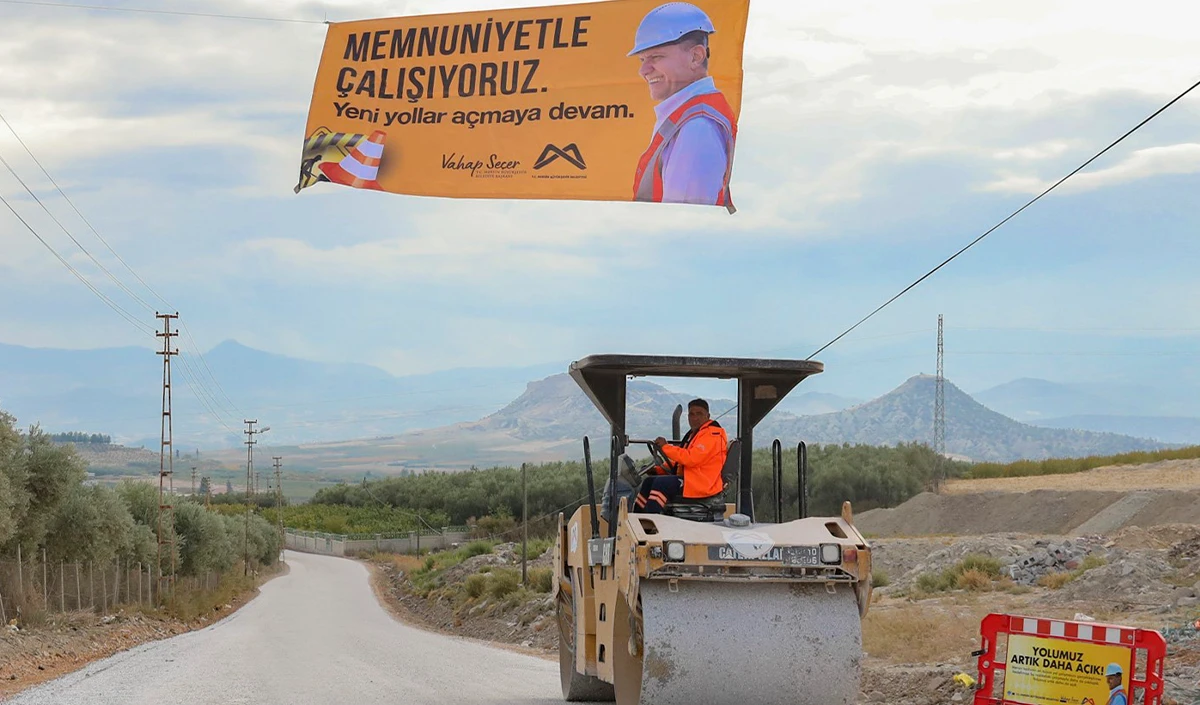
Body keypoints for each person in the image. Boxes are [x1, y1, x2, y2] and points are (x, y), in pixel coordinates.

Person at [629, 2, 738, 211]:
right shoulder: (685, 117)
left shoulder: (697, 127)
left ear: (696, 57)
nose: (643, 70)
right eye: (642, 59)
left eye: (656, 57)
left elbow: (682, 219)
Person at [633, 398, 728, 513]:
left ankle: (650, 520)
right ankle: (637, 517)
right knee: (649, 481)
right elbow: (680, 462)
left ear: (708, 416)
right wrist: (658, 470)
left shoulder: (712, 434)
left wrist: (665, 447)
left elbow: (691, 458)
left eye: (699, 414)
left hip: (702, 484)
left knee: (661, 484)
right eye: (691, 414)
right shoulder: (697, 433)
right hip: (692, 479)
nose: (695, 418)